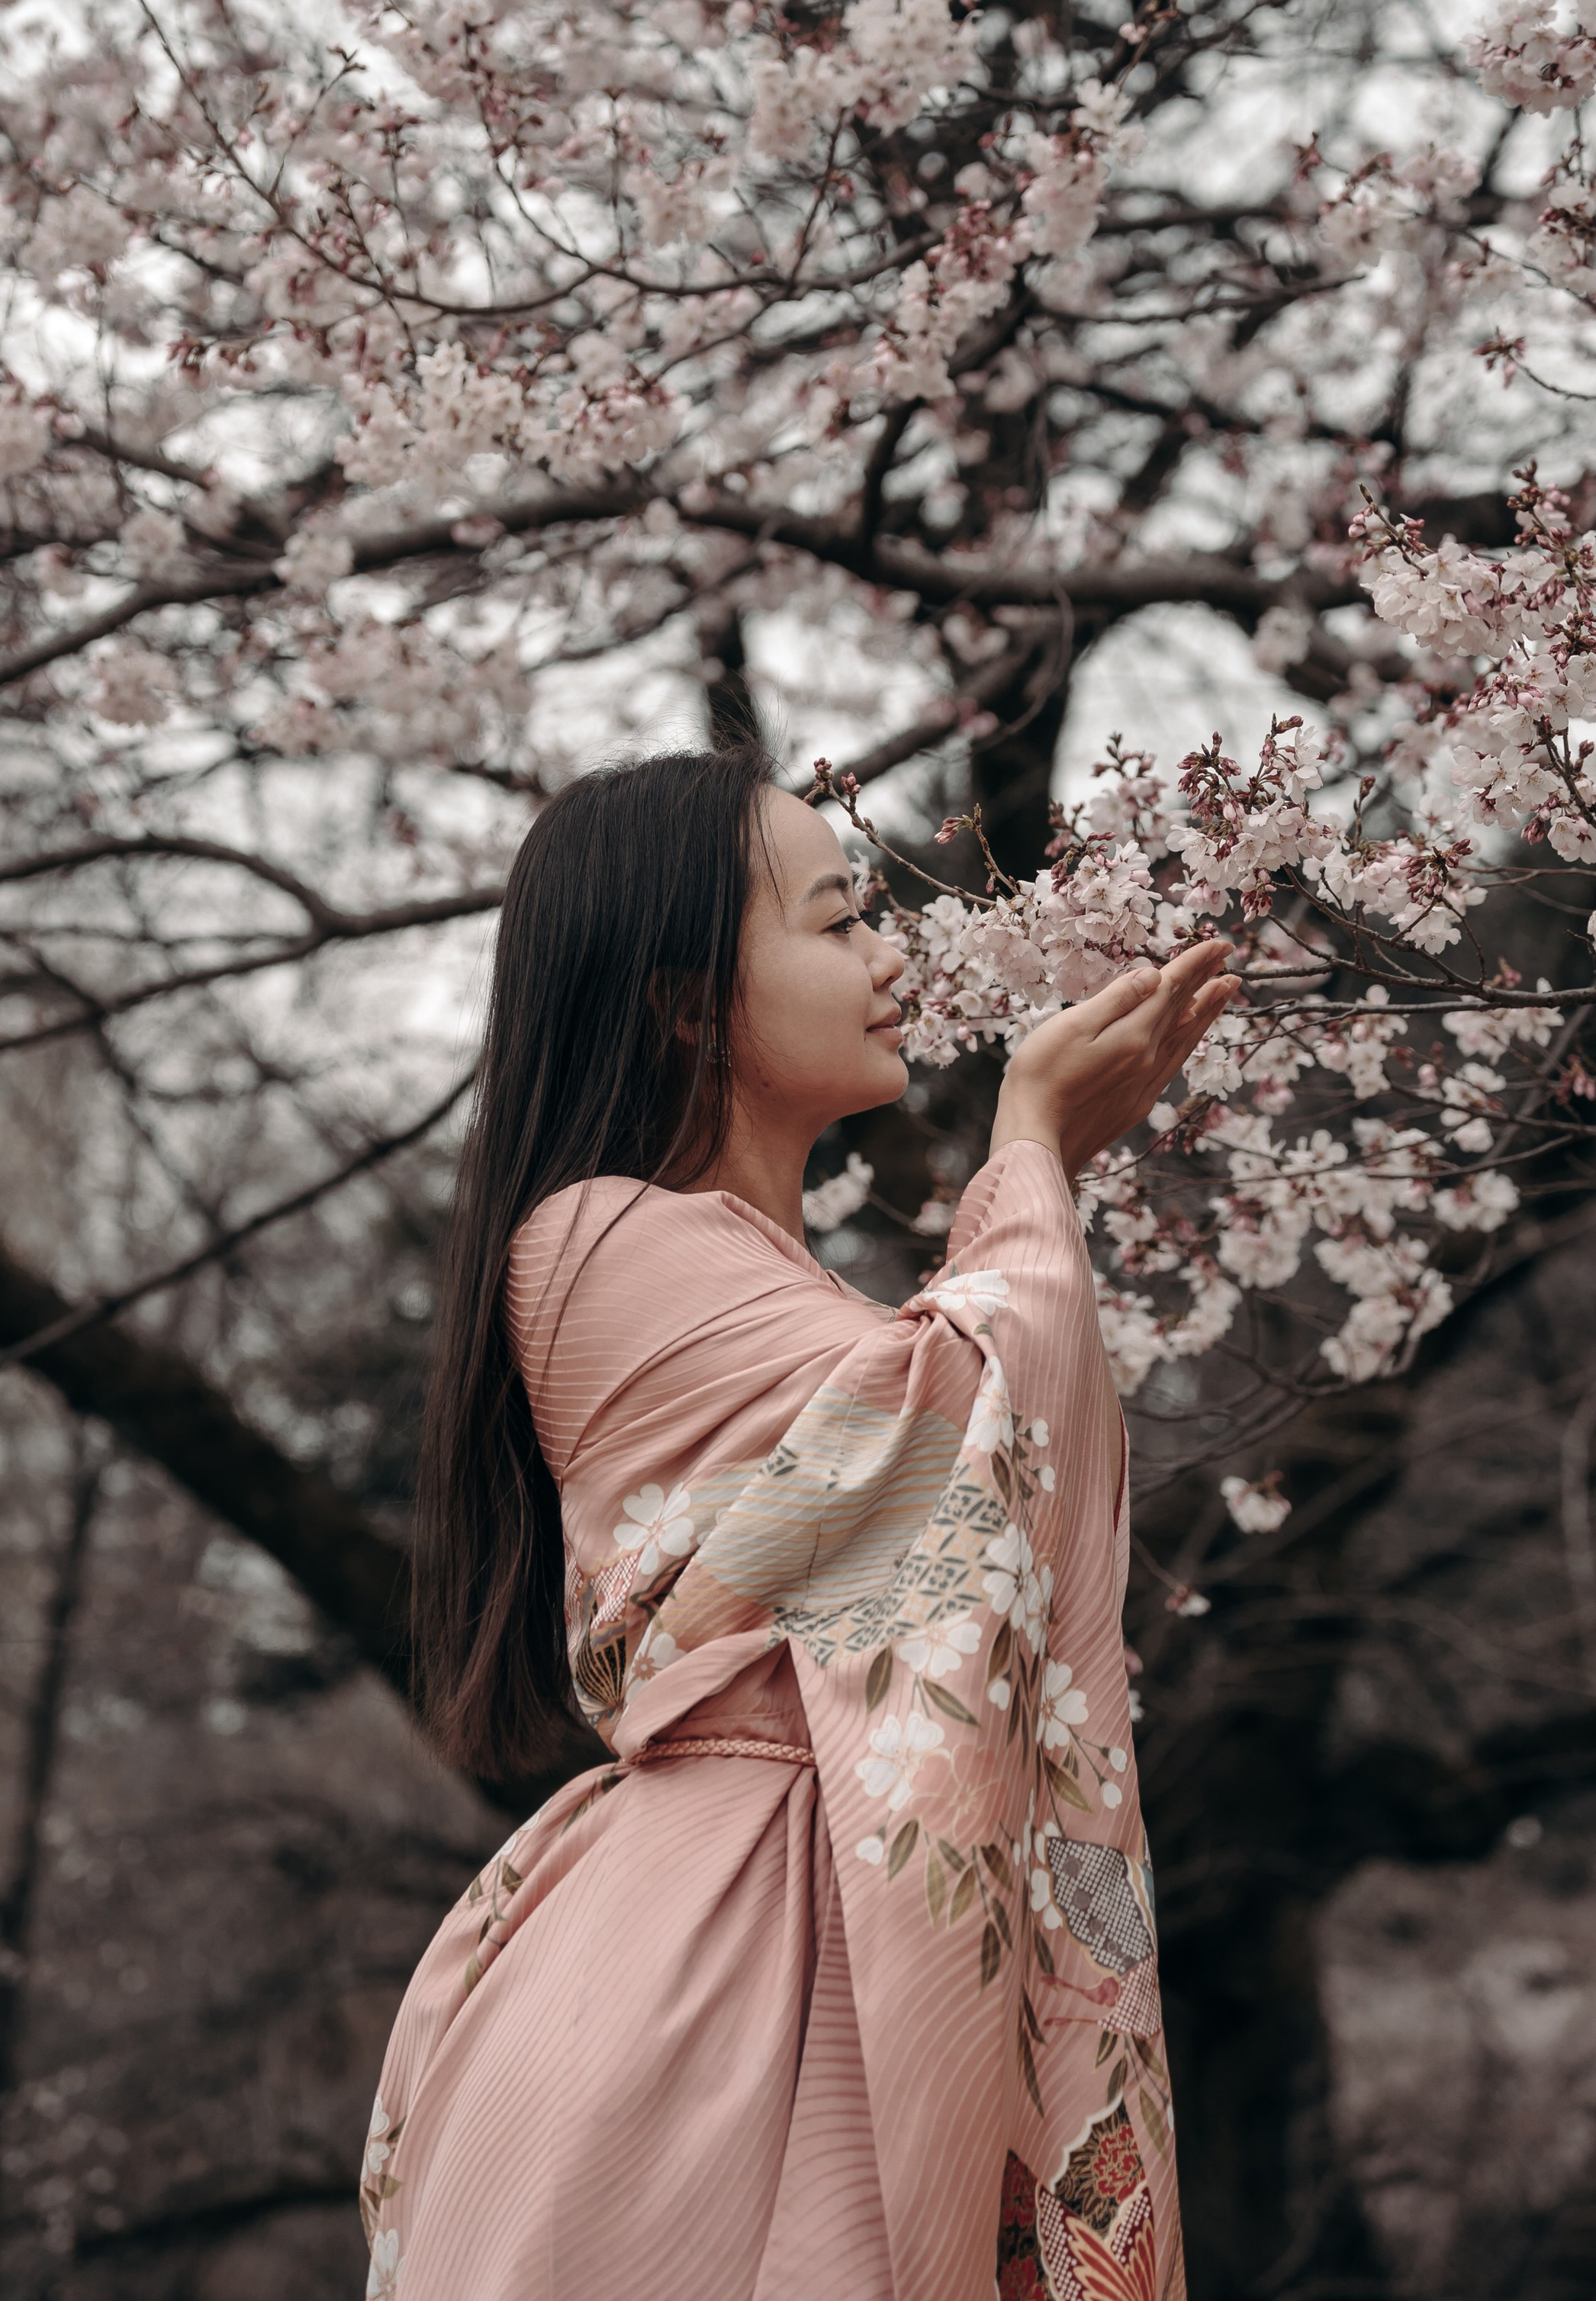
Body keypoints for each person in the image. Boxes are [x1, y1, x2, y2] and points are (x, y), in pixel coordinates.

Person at [362, 745, 1235, 2301]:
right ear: (690, 1003)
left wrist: (1035, 1173)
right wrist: (1025, 1149)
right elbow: (948, 1425)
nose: (889, 958)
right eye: (837, 924)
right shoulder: (593, 1236)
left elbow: (929, 1434)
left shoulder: (762, 1279)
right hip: (724, 1952)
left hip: (797, 1900)